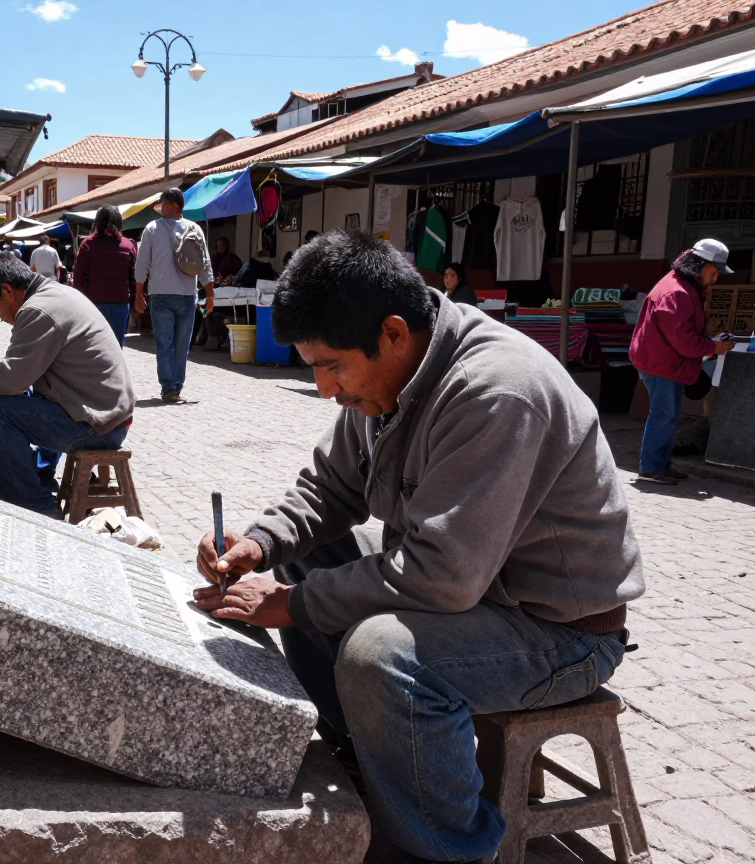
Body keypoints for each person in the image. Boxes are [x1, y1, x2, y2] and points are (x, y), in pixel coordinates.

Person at [191, 231, 644, 864]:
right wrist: (260, 545)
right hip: (469, 586)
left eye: (331, 366)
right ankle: (369, 751)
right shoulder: (385, 376)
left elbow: (442, 576)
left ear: (395, 333)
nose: (324, 388)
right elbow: (329, 489)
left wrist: (292, 605)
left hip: (557, 631)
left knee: (380, 657)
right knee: (300, 555)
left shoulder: (495, 390)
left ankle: (448, 850)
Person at [0, 253, 134, 517]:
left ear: (8, 290)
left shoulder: (39, 310)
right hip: (103, 414)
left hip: (99, 425)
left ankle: (36, 507)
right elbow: (21, 373)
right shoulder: (54, 294)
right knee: (28, 397)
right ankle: (39, 478)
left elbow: (12, 377)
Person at [629, 239, 735, 485]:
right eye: (715, 270)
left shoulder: (685, 287)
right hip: (660, 363)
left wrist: (708, 343)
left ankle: (660, 465)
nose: (716, 275)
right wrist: (712, 347)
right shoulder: (675, 292)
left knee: (669, 415)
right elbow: (684, 341)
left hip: (666, 362)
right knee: (664, 415)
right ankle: (652, 468)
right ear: (700, 265)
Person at [134, 187, 215, 402]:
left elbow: (142, 264)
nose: (160, 208)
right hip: (188, 295)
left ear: (172, 205)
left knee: (164, 342)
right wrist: (210, 295)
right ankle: (175, 386)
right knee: (181, 344)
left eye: (162, 203)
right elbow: (205, 265)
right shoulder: (195, 228)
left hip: (160, 295)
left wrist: (139, 293)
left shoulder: (152, 229)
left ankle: (169, 387)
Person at [73, 205, 136, 347]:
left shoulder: (87, 244)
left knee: (95, 347)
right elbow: (133, 278)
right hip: (120, 305)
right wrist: (134, 300)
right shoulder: (128, 245)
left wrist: (80, 303)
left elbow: (78, 279)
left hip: (94, 305)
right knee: (116, 348)